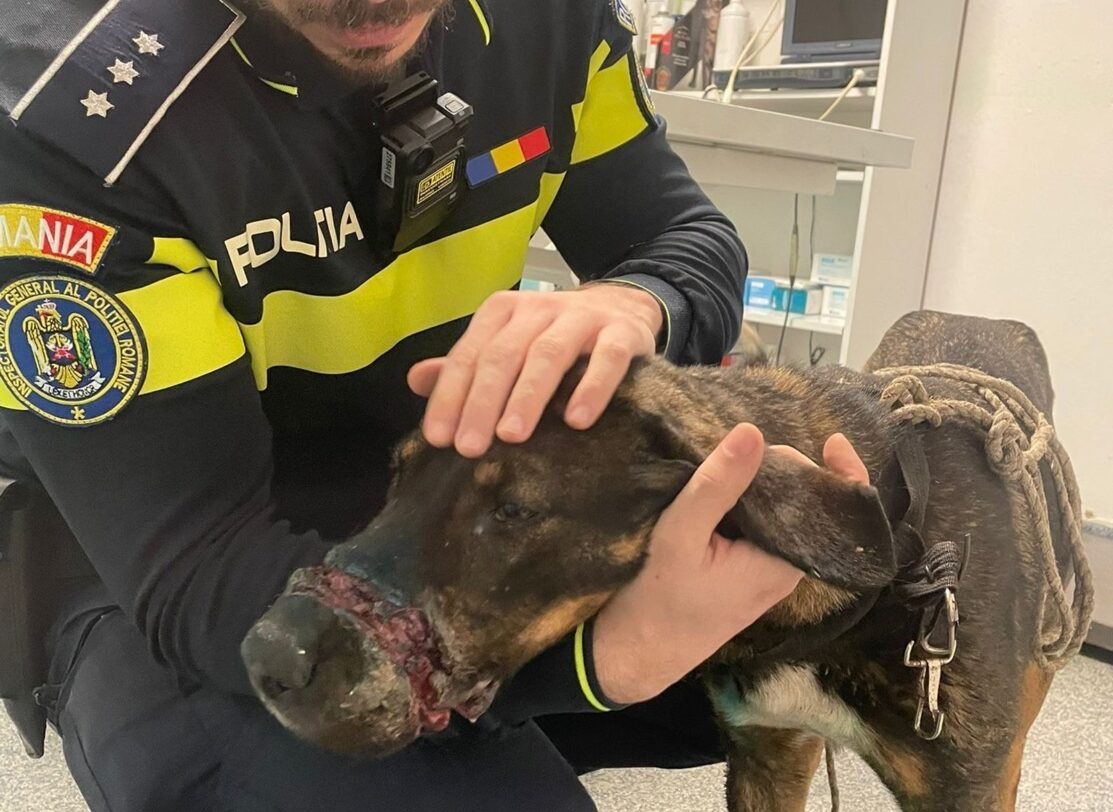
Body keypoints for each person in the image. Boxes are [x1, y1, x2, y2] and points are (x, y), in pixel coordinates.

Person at [0, 1, 859, 809]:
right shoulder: (70, 114)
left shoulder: (554, 21)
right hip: (162, 557)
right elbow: (196, 566)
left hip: (443, 504)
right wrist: (594, 663)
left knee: (847, 620)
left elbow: (683, 236)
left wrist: (635, 303)